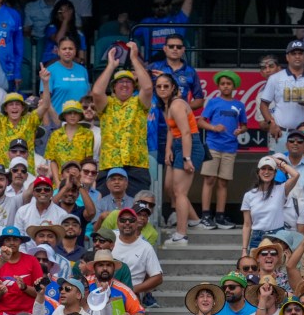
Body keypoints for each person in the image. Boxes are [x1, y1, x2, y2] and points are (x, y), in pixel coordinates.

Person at [91, 43, 152, 196]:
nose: (124, 84)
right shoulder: (107, 103)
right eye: (120, 82)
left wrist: (134, 58)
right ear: (113, 87)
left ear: (133, 87)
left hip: (136, 164)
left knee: (138, 208)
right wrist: (111, 66)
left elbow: (148, 88)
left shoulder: (139, 103)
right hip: (110, 164)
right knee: (106, 208)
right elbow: (97, 92)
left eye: (129, 82)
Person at [157, 73, 204, 245]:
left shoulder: (176, 104)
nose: (162, 89)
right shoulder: (168, 105)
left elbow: (186, 133)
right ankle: (194, 220)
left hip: (188, 146)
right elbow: (172, 129)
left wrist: (186, 158)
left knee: (180, 192)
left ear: (174, 88)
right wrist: (168, 148)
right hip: (177, 145)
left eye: (166, 86)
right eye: (159, 86)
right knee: (170, 188)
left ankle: (181, 234)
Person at [198, 70, 247, 229]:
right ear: (219, 86)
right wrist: (213, 127)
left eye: (228, 84)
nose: (225, 86)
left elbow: (244, 125)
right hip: (213, 145)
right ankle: (205, 216)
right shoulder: (213, 102)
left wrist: (241, 130)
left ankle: (219, 216)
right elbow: (201, 122)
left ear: (234, 86)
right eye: (223, 84)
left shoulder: (240, 105)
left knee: (223, 182)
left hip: (230, 147)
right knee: (209, 180)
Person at [260, 40, 304, 152]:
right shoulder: (275, 78)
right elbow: (263, 104)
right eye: (293, 54)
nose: (297, 56)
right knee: (279, 167)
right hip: (282, 133)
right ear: (287, 57)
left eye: (300, 53)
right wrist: (271, 123)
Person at [241, 155, 300, 252]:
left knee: (276, 266)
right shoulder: (249, 195)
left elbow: (296, 175)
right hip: (257, 237)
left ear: (275, 173)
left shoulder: (281, 189)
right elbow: (247, 225)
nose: (266, 172)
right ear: (258, 172)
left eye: (270, 169)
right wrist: (244, 250)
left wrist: (278, 161)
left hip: (277, 236)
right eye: (263, 168)